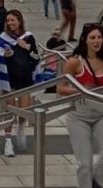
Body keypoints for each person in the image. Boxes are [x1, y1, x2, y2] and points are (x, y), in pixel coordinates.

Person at [57, 22, 103, 188]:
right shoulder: (75, 62)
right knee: (84, 163)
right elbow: (60, 88)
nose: (96, 41)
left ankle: (97, 181)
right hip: (79, 116)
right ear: (85, 40)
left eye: (99, 37)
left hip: (100, 113)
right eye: (92, 38)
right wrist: (80, 91)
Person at [0, 9, 39, 157]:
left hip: (25, 79)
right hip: (10, 80)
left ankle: (20, 129)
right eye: (8, 21)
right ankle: (8, 141)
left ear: (19, 21)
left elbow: (36, 58)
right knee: (10, 110)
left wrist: (27, 47)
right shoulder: (3, 38)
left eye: (13, 20)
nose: (10, 23)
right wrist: (5, 55)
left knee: (24, 110)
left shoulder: (29, 37)